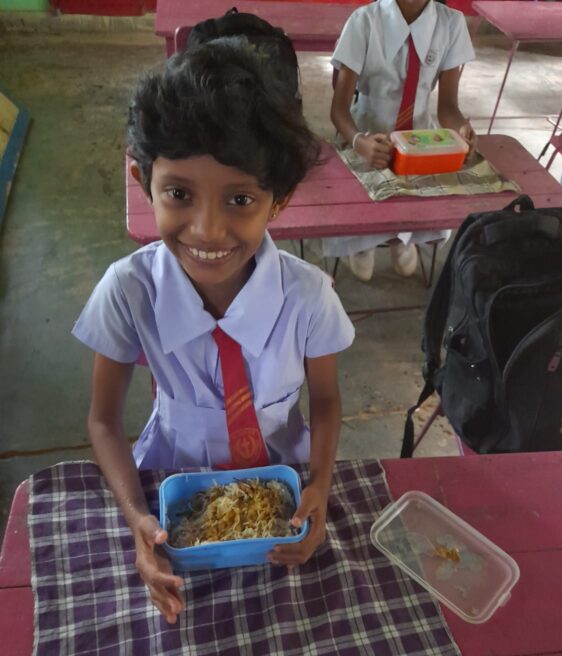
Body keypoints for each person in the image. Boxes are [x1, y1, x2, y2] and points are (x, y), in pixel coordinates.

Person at [72, 39, 355, 624]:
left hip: (284, 487)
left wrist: (320, 488)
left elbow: (325, 402)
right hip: (168, 480)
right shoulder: (129, 291)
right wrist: (137, 518)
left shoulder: (307, 298)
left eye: (240, 199)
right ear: (140, 177)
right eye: (178, 194)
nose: (207, 230)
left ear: (278, 202)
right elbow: (103, 421)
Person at [326, 0, 477, 282]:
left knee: (436, 185)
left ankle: (402, 238)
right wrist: (360, 142)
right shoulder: (364, 22)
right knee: (364, 189)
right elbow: (338, 110)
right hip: (367, 134)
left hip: (421, 139)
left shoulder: (451, 24)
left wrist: (462, 130)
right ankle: (364, 240)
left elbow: (447, 108)